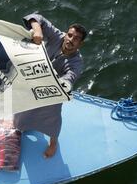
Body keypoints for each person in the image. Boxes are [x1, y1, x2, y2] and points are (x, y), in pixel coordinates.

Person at [13, 13, 87, 158]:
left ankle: (53, 142)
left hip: (55, 92)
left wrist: (54, 83)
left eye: (76, 39)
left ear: (80, 44)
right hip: (33, 81)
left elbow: (68, 80)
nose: (71, 40)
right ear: (66, 34)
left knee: (52, 118)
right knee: (20, 115)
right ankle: (21, 128)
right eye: (70, 35)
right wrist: (38, 31)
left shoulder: (77, 63)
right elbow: (36, 17)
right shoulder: (57, 36)